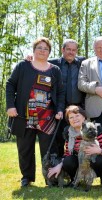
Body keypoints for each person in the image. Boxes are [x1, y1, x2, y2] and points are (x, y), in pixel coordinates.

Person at [6, 37, 65, 187]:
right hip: (24, 116)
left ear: (49, 52)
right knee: (25, 148)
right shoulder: (23, 66)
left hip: (47, 117)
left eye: (46, 49)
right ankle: (27, 177)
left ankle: (50, 178)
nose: (42, 51)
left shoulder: (55, 70)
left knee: (49, 150)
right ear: (33, 50)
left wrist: (59, 109)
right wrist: (10, 106)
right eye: (39, 47)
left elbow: (60, 92)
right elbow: (10, 84)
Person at [47, 105, 102, 189]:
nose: (74, 119)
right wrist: (59, 165)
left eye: (77, 115)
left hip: (95, 163)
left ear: (83, 117)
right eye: (71, 117)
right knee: (68, 161)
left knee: (99, 159)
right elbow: (67, 153)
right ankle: (74, 180)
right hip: (80, 163)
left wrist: (99, 151)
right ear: (69, 120)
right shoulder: (68, 133)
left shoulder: (95, 127)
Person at [48, 39, 86, 157]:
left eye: (74, 50)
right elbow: (37, 64)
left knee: (79, 138)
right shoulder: (52, 63)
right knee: (59, 138)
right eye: (68, 49)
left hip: (78, 107)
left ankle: (75, 168)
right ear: (62, 50)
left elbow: (100, 57)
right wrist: (29, 58)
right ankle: (58, 165)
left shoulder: (83, 62)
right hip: (58, 107)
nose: (71, 52)